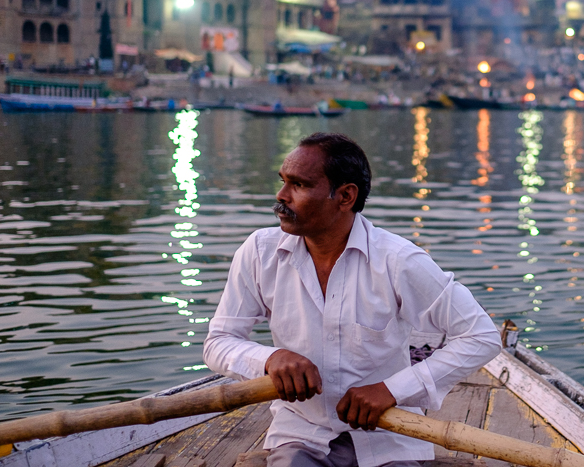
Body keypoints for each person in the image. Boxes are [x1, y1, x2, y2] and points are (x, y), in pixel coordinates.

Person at [204, 133, 501, 467]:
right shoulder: (260, 252)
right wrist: (271, 358)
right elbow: (219, 341)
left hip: (388, 434)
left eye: (299, 185)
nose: (281, 196)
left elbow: (482, 336)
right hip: (302, 433)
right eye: (283, 182)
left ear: (345, 196)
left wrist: (392, 389)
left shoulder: (397, 259)